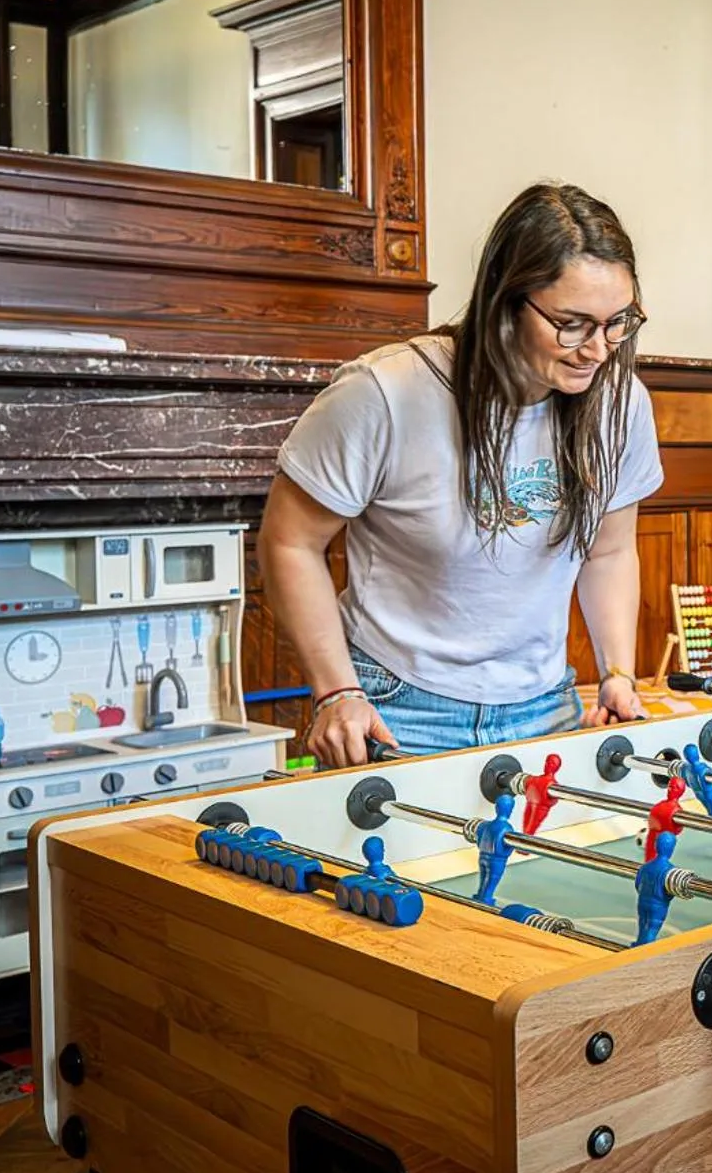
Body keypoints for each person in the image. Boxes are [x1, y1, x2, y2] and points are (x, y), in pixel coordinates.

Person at [261, 183, 664, 767]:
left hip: (544, 705)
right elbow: (290, 542)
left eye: (617, 323)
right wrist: (336, 690)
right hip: (397, 708)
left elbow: (609, 552)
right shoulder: (386, 393)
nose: (597, 350)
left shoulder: (619, 403)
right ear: (506, 300)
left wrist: (617, 672)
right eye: (572, 324)